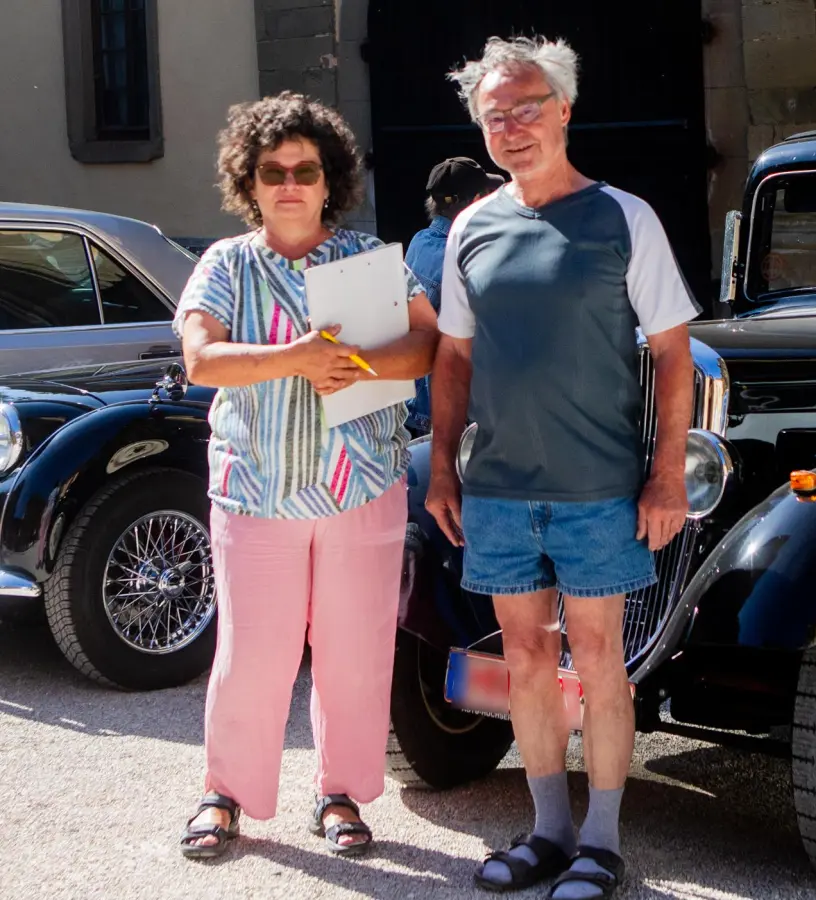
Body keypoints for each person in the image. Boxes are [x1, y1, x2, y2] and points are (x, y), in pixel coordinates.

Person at [425, 35, 699, 898]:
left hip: (598, 488)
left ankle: (603, 843)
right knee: (526, 658)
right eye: (495, 115)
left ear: (566, 110)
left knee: (599, 654)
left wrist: (665, 477)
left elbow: (673, 356)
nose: (512, 126)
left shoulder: (626, 217)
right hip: (500, 488)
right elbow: (454, 362)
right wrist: (441, 468)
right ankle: (548, 830)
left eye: (528, 107)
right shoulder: (471, 225)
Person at [173, 91, 439, 860]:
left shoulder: (367, 259)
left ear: (331, 180)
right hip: (258, 489)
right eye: (271, 170)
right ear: (248, 183)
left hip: (363, 487)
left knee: (356, 651)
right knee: (253, 651)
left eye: (305, 169)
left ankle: (340, 793)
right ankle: (225, 793)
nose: (289, 183)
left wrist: (354, 364)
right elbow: (199, 358)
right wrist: (296, 357)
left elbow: (425, 348)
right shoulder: (226, 263)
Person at [404, 157, 505, 432]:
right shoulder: (466, 260)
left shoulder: (419, 241)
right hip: (447, 418)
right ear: (475, 202)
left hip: (415, 407)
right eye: (487, 197)